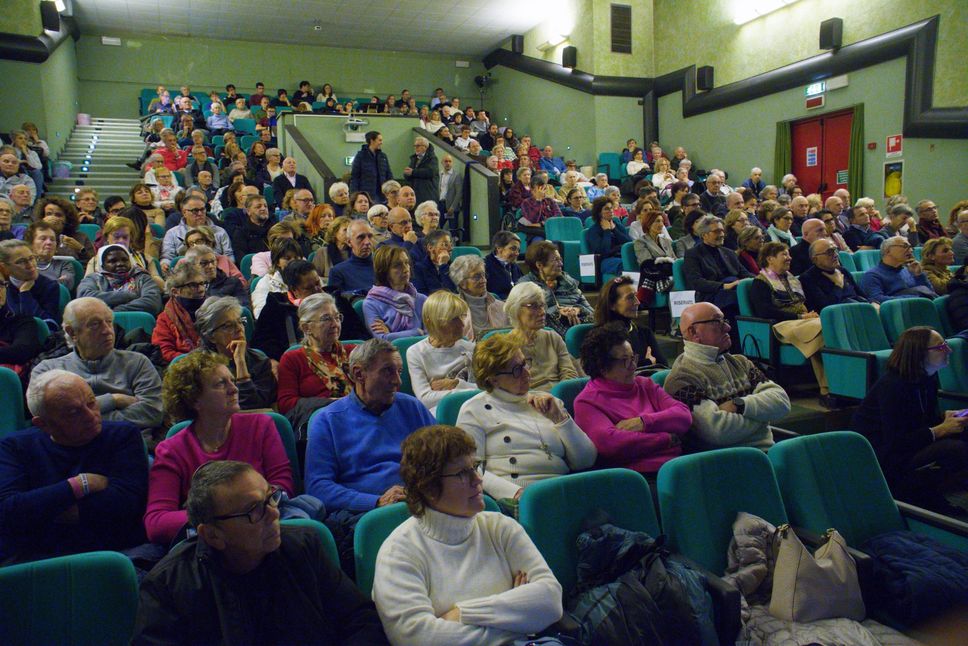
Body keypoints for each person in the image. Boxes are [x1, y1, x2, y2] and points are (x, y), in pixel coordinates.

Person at [134, 461, 388, 645]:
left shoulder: (302, 547)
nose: (274, 513)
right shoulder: (168, 586)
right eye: (254, 510)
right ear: (212, 535)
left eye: (271, 498)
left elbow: (361, 620)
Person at [373, 425, 563, 645]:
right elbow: (418, 639)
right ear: (428, 488)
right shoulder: (398, 552)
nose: (478, 480)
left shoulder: (500, 527)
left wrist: (461, 613)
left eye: (475, 467)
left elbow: (550, 601)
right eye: (462, 473)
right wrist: (516, 618)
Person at [305, 339, 435, 566]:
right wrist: (375, 502)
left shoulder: (411, 406)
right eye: (387, 371)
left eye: (399, 371)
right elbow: (318, 487)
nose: (397, 381)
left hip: (421, 502)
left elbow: (446, 455)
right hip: (366, 515)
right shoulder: (328, 420)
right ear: (358, 374)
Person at [0, 370, 148, 563]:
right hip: (37, 558)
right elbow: (8, 512)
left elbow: (128, 505)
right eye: (73, 412)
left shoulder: (123, 436)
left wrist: (43, 510)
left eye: (91, 402)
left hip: (119, 552)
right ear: (43, 424)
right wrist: (80, 484)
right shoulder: (14, 446)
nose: (90, 415)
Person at [456, 333, 596, 503]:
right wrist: (515, 493)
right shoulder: (473, 409)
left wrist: (560, 419)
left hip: (563, 489)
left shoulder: (547, 402)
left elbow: (586, 460)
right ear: (493, 380)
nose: (526, 373)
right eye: (516, 370)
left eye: (524, 364)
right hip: (517, 496)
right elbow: (471, 468)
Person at [851, 328, 968, 516]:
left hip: (908, 446)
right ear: (919, 354)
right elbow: (896, 443)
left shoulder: (926, 378)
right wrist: (940, 430)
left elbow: (921, 420)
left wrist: (944, 419)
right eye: (941, 346)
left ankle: (932, 494)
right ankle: (924, 498)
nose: (949, 350)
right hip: (884, 458)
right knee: (956, 449)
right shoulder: (893, 386)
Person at [664, 302, 791, 451]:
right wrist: (763, 416)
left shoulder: (740, 362)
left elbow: (782, 402)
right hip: (726, 463)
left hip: (767, 452)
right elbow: (718, 431)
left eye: (724, 321)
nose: (727, 327)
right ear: (693, 332)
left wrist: (740, 405)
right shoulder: (681, 379)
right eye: (717, 322)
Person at [32, 298, 164, 431]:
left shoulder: (137, 362)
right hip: (69, 448)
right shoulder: (47, 371)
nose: (107, 330)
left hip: (123, 443)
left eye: (109, 322)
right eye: (95, 324)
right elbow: (51, 418)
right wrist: (113, 400)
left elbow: (152, 412)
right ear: (72, 332)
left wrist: (78, 418)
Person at [574, 323, 690, 474]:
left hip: (678, 464)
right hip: (637, 476)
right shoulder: (586, 402)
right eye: (625, 360)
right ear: (602, 366)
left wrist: (643, 423)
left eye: (633, 357)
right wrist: (667, 439)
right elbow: (612, 444)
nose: (634, 366)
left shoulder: (645, 384)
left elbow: (683, 415)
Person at [750, 242, 831, 406]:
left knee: (828, 327)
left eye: (788, 254)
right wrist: (800, 316)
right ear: (770, 259)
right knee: (820, 329)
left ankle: (833, 387)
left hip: (804, 322)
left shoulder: (792, 278)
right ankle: (827, 388)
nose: (789, 258)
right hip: (782, 325)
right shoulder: (760, 282)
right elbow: (765, 312)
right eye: (784, 255)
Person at [277, 293, 354, 432]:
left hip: (359, 416)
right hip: (321, 424)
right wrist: (332, 404)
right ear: (307, 328)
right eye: (326, 319)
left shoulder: (353, 352)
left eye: (337, 317)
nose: (335, 324)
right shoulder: (292, 359)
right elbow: (286, 404)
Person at [194, 296, 277, 410]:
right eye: (228, 326)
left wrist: (240, 362)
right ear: (211, 336)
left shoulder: (259, 360)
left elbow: (254, 407)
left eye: (240, 321)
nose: (239, 328)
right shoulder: (198, 366)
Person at [406, 291, 476, 415]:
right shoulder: (415, 353)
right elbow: (425, 399)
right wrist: (467, 390)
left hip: (474, 408)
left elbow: (487, 388)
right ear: (433, 322)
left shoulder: (471, 348)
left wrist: (456, 384)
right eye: (454, 319)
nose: (462, 324)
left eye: (462, 316)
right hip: (440, 414)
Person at [504, 281, 578, 391]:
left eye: (542, 305)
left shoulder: (553, 337)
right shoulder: (507, 346)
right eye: (533, 306)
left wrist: (558, 396)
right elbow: (512, 386)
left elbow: (569, 373)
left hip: (561, 397)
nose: (542, 312)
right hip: (530, 401)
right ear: (516, 309)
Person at [682, 215, 754, 324]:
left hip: (734, 288)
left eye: (722, 231)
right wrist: (724, 286)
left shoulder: (729, 253)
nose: (721, 234)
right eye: (716, 231)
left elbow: (744, 273)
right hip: (711, 293)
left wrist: (762, 280)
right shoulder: (693, 254)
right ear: (704, 235)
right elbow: (696, 282)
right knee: (735, 297)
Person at [518, 241, 593, 337]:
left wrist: (578, 310)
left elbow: (592, 313)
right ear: (539, 265)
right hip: (547, 336)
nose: (561, 264)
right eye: (555, 260)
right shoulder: (525, 287)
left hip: (578, 331)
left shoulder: (569, 283)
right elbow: (529, 318)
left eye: (560, 260)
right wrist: (557, 312)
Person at [252, 260, 324, 360]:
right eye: (309, 288)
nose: (318, 290)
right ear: (294, 290)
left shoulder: (335, 301)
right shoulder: (276, 307)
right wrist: (271, 361)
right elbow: (261, 345)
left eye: (318, 283)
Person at [594, 276, 667, 370]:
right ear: (612, 305)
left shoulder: (644, 332)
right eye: (630, 298)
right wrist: (648, 362)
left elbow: (663, 367)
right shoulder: (600, 336)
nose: (637, 302)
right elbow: (613, 372)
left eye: (636, 296)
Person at [363, 245, 427, 340]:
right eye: (397, 265)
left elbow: (434, 335)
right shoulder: (371, 304)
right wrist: (418, 332)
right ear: (384, 271)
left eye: (407, 263)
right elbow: (382, 339)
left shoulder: (421, 300)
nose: (406, 269)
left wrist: (391, 335)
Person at [77, 244, 162, 315]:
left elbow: (152, 303)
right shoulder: (93, 279)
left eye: (125, 260)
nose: (120, 264)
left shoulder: (142, 277)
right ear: (102, 265)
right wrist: (128, 296)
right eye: (112, 261)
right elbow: (85, 299)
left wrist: (116, 311)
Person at [152, 260, 206, 362]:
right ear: (175, 291)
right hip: (183, 368)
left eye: (202, 283)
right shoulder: (165, 318)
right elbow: (164, 351)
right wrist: (195, 361)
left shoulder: (214, 309)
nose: (201, 289)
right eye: (193, 285)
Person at [161, 195, 233, 269]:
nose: (200, 213)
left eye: (202, 209)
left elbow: (229, 255)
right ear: (184, 212)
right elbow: (167, 257)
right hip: (186, 273)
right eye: (195, 211)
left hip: (217, 271)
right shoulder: (172, 233)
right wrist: (165, 264)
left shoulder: (220, 231)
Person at [800, 238, 871, 313]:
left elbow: (861, 295)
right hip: (839, 316)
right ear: (815, 259)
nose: (836, 255)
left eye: (835, 250)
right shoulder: (808, 278)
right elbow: (826, 308)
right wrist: (838, 285)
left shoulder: (843, 271)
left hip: (859, 309)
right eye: (829, 252)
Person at [862, 236, 937, 303]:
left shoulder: (910, 270)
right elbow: (876, 299)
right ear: (888, 251)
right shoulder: (872, 275)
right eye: (905, 246)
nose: (910, 250)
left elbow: (931, 293)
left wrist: (919, 275)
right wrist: (915, 297)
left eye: (911, 247)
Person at [450, 254, 508, 337]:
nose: (483, 280)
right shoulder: (452, 309)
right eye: (477, 277)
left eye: (483, 275)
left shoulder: (501, 307)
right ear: (462, 283)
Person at [34, 196, 96, 264]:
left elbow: (93, 264)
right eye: (49, 214)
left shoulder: (80, 237)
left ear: (67, 219)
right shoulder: (35, 236)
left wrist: (81, 250)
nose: (53, 218)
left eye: (58, 215)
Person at [251, 238, 303, 319]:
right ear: (277, 262)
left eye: (296, 257)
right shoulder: (265, 283)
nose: (293, 262)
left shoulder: (308, 276)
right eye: (287, 258)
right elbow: (260, 316)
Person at [585, 196, 632, 276]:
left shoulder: (617, 226)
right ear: (599, 212)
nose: (610, 211)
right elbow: (603, 252)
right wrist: (607, 231)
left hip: (622, 256)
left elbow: (629, 244)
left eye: (611, 208)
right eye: (606, 209)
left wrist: (614, 230)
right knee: (624, 264)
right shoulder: (594, 230)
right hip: (606, 260)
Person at [329, 219, 377, 298]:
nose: (367, 242)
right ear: (349, 242)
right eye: (361, 237)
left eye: (370, 236)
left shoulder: (384, 265)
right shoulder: (338, 272)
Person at [350, 131, 394, 204]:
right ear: (372, 140)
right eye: (379, 140)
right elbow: (355, 177)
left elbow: (389, 174)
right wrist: (354, 195)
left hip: (382, 194)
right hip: (366, 194)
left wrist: (392, 189)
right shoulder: (360, 156)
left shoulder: (383, 156)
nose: (381, 142)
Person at [411, 229, 456, 295]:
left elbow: (453, 292)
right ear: (430, 248)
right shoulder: (418, 268)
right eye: (445, 244)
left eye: (451, 244)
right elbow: (421, 295)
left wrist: (443, 266)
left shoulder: (454, 266)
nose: (450, 248)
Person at [484, 230, 522, 300]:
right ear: (499, 248)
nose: (517, 253)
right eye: (513, 249)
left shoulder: (515, 267)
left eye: (518, 250)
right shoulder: (485, 267)